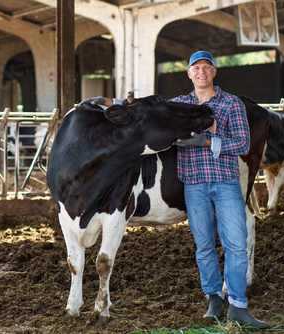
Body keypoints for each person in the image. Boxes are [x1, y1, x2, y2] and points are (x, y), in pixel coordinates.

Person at [79, 50, 268, 329]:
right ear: (189, 74)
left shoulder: (232, 104)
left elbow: (242, 145)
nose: (201, 72)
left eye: (206, 67)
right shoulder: (179, 104)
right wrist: (110, 102)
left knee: (236, 245)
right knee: (204, 247)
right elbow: (145, 110)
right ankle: (213, 300)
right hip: (193, 185)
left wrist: (208, 142)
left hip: (226, 183)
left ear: (214, 71)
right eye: (196, 68)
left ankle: (238, 306)